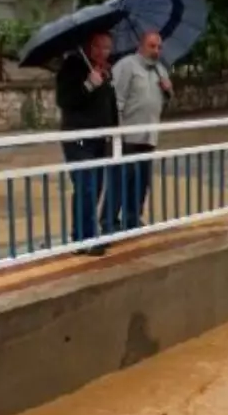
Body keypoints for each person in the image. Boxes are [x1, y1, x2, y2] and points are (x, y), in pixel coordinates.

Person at [103, 30, 173, 233]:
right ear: (141, 46)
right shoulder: (127, 66)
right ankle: (109, 221)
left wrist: (168, 91)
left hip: (149, 135)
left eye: (159, 47)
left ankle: (132, 219)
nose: (156, 51)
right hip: (126, 136)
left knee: (141, 181)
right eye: (152, 46)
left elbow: (162, 104)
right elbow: (116, 100)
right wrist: (117, 131)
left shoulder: (160, 70)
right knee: (121, 179)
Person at [55, 31, 118, 256]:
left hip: (100, 139)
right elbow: (64, 100)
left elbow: (108, 105)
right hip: (78, 138)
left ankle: (81, 236)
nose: (103, 52)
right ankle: (86, 238)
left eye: (108, 48)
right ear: (88, 47)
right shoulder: (73, 66)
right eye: (98, 47)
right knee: (86, 187)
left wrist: (115, 131)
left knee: (95, 187)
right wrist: (88, 85)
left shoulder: (106, 71)